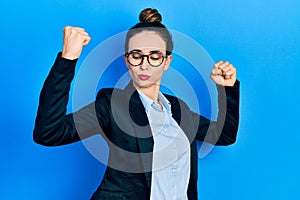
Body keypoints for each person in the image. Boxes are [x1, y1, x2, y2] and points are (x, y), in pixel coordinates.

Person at [33, 8, 240, 200]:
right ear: (126, 59)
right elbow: (49, 133)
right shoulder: (113, 104)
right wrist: (68, 59)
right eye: (136, 55)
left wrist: (227, 89)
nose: (144, 64)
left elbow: (224, 135)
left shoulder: (178, 109)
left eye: (154, 56)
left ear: (167, 62)